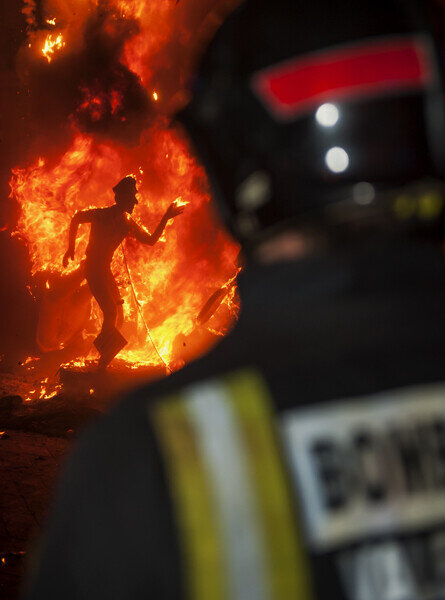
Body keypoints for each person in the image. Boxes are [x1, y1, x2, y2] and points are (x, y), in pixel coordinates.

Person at [24, 0, 445, 598]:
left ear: (229, 165)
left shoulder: (151, 457)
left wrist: (165, 215)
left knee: (115, 322)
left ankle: (99, 360)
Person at [62, 176, 184, 368]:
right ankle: (100, 364)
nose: (135, 202)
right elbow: (77, 218)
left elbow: (151, 240)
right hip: (93, 268)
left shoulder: (127, 223)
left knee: (120, 312)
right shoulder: (101, 215)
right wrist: (70, 249)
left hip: (104, 270)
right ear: (121, 198)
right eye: (132, 197)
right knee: (110, 312)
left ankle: (100, 354)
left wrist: (166, 217)